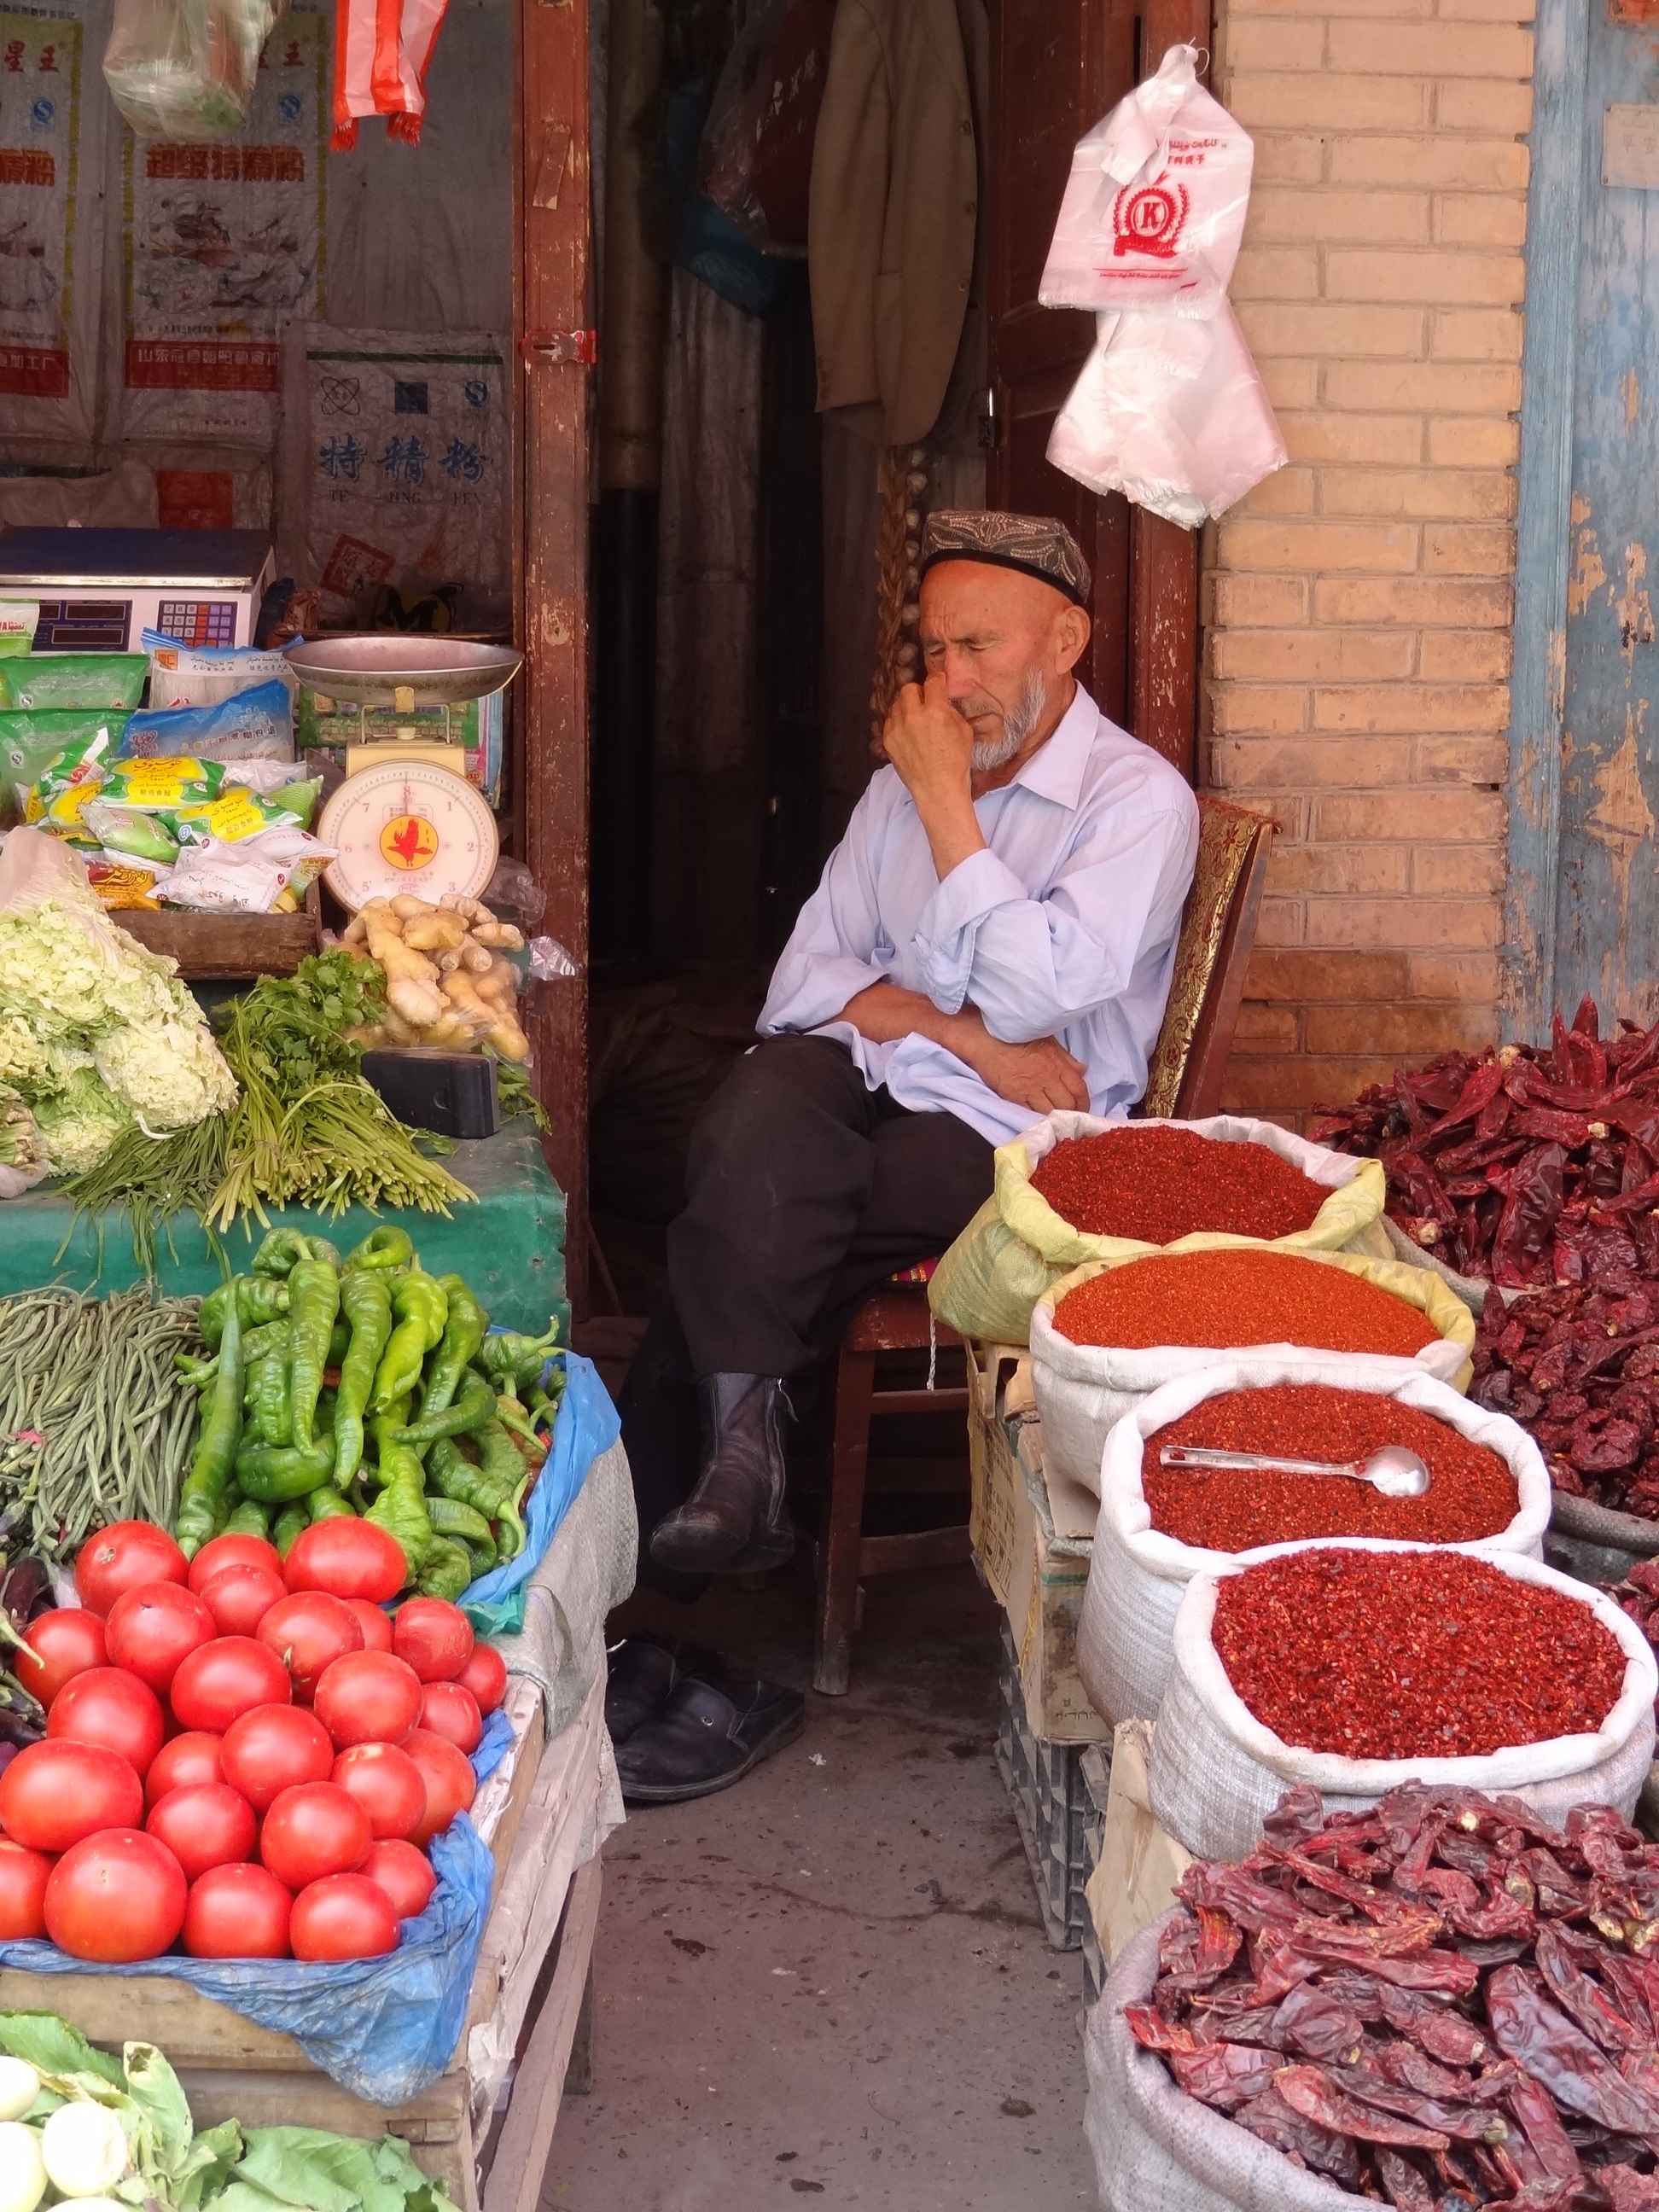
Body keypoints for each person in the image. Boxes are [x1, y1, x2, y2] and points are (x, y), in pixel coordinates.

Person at [622, 509, 1200, 1586]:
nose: (950, 680)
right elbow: (805, 988)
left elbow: (1038, 995)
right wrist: (954, 1031)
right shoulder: (895, 788)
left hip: (1020, 1128)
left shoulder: (1135, 802)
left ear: (1065, 641)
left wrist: (947, 807)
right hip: (898, 1072)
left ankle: (694, 1506)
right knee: (755, 1116)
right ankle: (734, 1475)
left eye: (979, 647)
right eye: (934, 651)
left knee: (759, 1213)